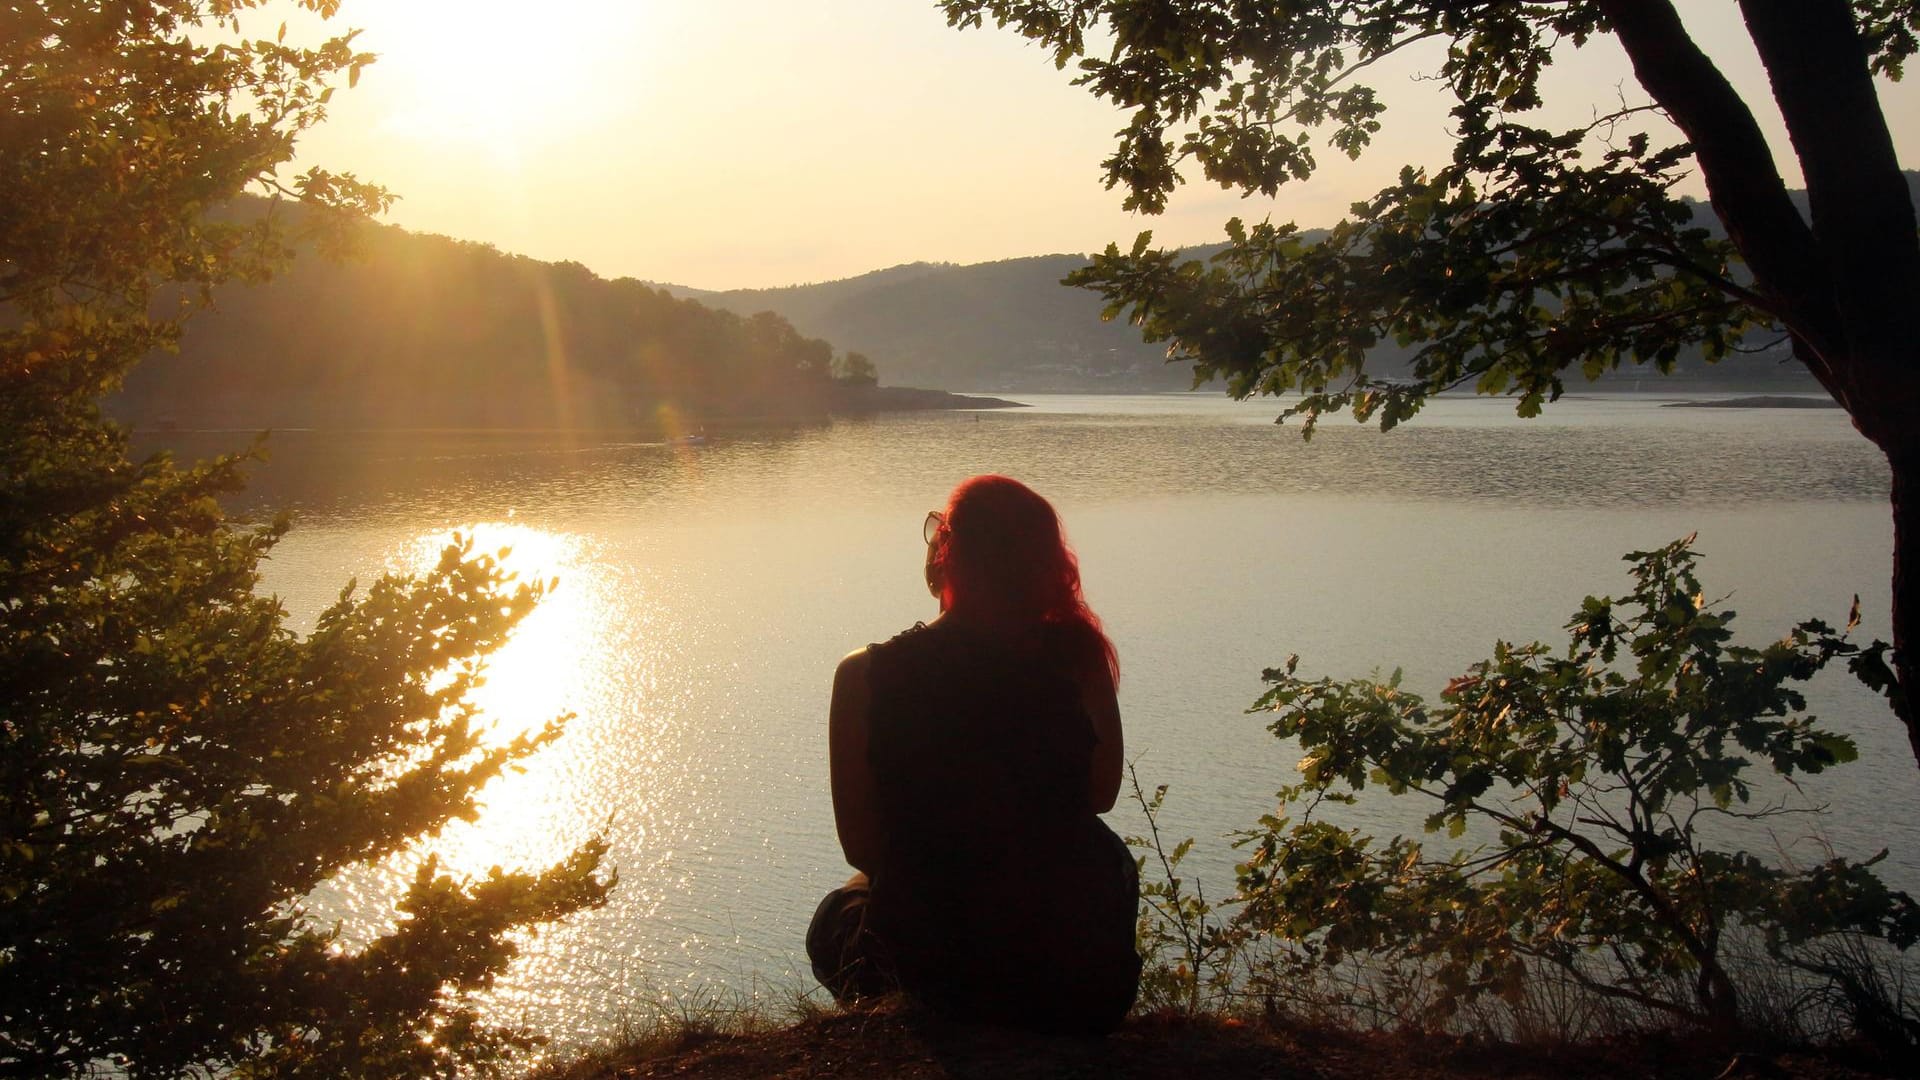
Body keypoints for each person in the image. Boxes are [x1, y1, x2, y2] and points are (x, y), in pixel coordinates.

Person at [806, 475, 1140, 1034]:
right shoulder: (1076, 659)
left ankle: (907, 1023)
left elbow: (862, 847)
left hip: (939, 967)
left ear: (949, 556)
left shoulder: (864, 675)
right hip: (1078, 976)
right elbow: (1100, 795)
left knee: (837, 916)